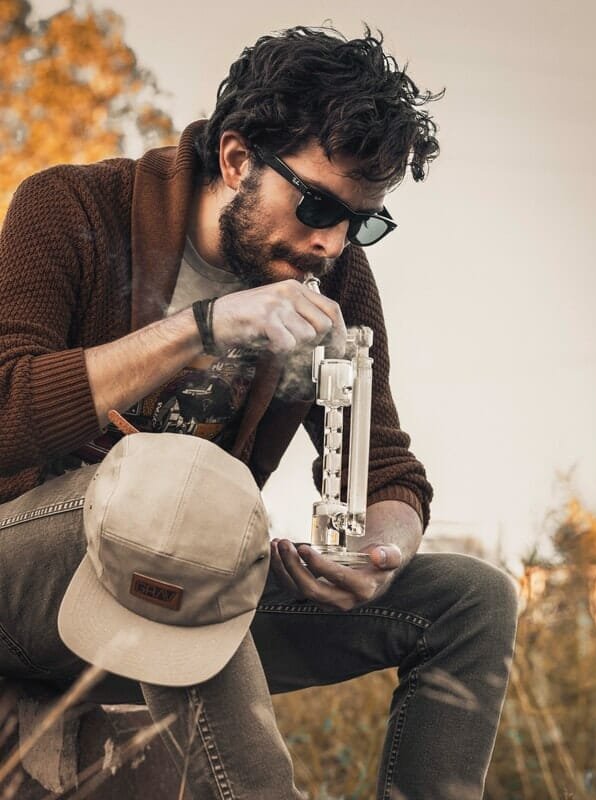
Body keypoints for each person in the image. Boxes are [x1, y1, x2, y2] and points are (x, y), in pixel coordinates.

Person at [0, 25, 518, 800]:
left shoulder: (333, 277)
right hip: (26, 576)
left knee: (473, 600)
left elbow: (390, 470)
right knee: (173, 512)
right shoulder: (72, 205)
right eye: (316, 204)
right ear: (237, 158)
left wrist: (379, 550)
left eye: (361, 220)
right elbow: (8, 408)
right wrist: (204, 328)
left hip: (177, 585)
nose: (332, 241)